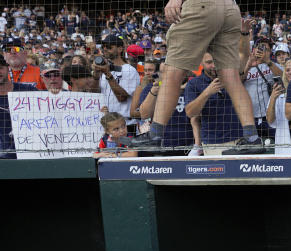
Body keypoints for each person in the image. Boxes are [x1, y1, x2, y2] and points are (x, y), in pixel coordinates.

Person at [129, 0, 265, 154]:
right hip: (231, 9)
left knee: (171, 73)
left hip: (202, 5)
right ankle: (252, 138)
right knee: (232, 78)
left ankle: (155, 135)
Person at [184, 52, 245, 155]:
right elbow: (190, 113)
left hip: (241, 139)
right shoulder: (193, 84)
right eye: (209, 62)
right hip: (214, 143)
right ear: (201, 63)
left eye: (216, 61)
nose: (214, 65)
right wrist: (207, 93)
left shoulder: (232, 76)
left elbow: (244, 55)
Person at [93, 34, 139, 128]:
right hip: (107, 124)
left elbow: (122, 98)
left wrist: (108, 75)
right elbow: (95, 94)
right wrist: (96, 75)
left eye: (109, 46)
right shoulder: (104, 69)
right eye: (103, 46)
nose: (105, 49)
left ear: (120, 49)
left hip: (126, 125)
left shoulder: (129, 70)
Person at [266, 58, 291, 154]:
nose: (290, 72)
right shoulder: (278, 94)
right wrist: (273, 98)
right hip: (285, 140)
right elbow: (270, 121)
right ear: (284, 73)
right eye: (287, 70)